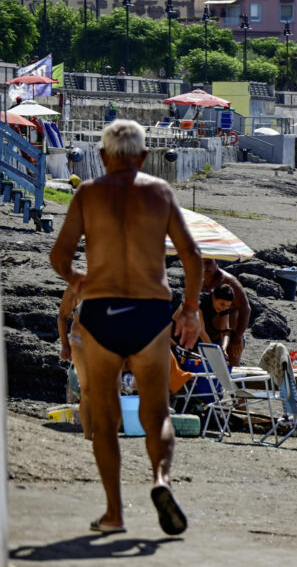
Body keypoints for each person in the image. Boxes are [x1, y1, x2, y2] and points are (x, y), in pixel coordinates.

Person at [49, 120, 203, 536]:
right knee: (157, 413)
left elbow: (59, 255)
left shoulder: (87, 194)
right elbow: (192, 255)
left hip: (101, 313)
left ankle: (115, 513)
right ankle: (161, 481)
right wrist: (190, 309)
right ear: (143, 156)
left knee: (104, 415)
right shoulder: (160, 193)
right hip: (150, 312)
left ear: (102, 158)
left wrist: (74, 276)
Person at [199, 259, 251, 365]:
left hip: (230, 334)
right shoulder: (198, 280)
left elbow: (246, 309)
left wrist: (237, 338)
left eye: (209, 262)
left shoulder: (228, 281)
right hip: (206, 332)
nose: (206, 266)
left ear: (216, 262)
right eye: (203, 262)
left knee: (231, 369)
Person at [56, 284, 90, 438]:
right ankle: (88, 432)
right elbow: (63, 316)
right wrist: (64, 345)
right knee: (87, 388)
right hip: (80, 343)